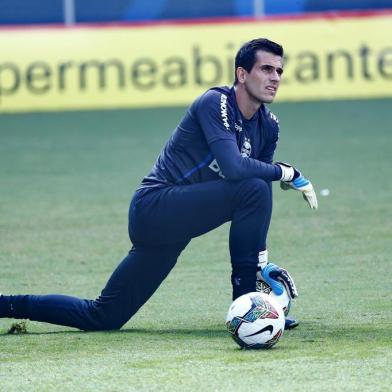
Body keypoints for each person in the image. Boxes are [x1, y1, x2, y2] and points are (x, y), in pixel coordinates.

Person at [0, 38, 317, 332]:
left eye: (279, 71)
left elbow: (255, 178)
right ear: (242, 74)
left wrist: (261, 263)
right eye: (266, 69)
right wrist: (286, 172)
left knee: (103, 317)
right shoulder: (215, 102)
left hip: (175, 230)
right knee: (254, 188)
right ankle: (246, 304)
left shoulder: (268, 126)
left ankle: (6, 305)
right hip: (154, 207)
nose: (275, 77)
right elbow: (236, 169)